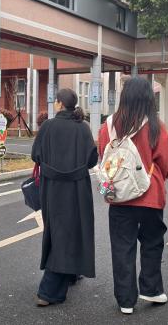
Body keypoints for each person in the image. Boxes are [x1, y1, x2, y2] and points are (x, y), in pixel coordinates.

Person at [98, 77, 168, 315]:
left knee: (122, 246)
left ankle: (125, 300)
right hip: (150, 194)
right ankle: (151, 289)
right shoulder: (156, 126)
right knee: (152, 242)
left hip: (119, 195)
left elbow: (104, 156)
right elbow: (166, 162)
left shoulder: (109, 125)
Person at [31, 88, 98, 307]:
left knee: (57, 232)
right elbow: (92, 160)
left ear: (59, 103)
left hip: (52, 189)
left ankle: (49, 291)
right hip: (77, 188)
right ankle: (68, 274)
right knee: (74, 231)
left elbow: (35, 155)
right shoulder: (83, 127)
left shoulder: (48, 126)